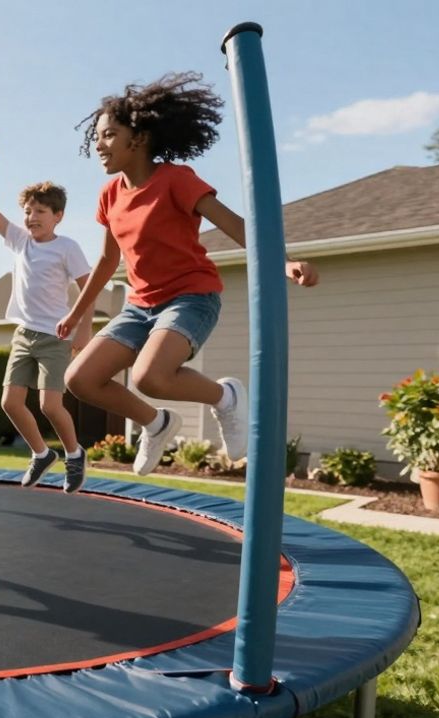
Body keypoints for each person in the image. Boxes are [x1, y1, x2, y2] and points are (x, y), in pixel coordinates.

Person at [58, 72, 319, 476]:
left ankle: (226, 397)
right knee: (80, 379)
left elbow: (234, 224)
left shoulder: (176, 180)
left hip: (190, 297)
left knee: (150, 376)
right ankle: (156, 423)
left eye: (109, 134)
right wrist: (78, 314)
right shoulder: (109, 195)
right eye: (97, 136)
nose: (98, 144)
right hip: (139, 305)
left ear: (139, 138)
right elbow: (109, 261)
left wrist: (282, 261)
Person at [0, 144, 92, 492]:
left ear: (57, 215)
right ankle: (41, 454)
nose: (32, 217)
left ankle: (74, 454)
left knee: (49, 404)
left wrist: (82, 334)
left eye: (40, 211)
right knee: (10, 402)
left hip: (56, 336)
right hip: (24, 334)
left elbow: (89, 291)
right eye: (28, 211)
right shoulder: (19, 240)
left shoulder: (67, 247)